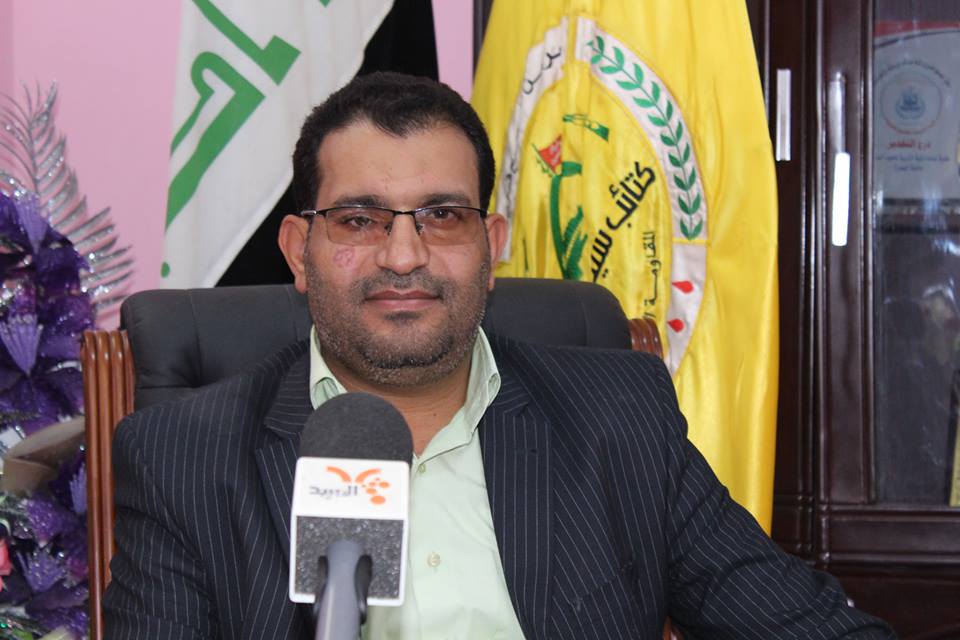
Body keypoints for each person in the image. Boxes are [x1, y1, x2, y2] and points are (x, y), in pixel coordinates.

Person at [102, 72, 895, 639]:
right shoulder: (184, 457)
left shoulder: (619, 419)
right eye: (359, 220)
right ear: (297, 252)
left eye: (442, 216)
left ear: (491, 247)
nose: (404, 256)